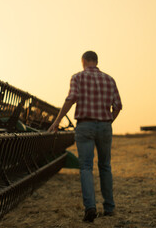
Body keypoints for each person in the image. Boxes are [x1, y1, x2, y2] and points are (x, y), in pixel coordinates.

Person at [48, 51, 122, 222]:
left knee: (86, 167)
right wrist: (108, 122)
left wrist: (57, 121)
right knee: (105, 166)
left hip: (85, 125)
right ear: (96, 61)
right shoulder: (110, 79)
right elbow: (118, 106)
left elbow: (71, 98)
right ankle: (109, 208)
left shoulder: (77, 77)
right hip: (104, 126)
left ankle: (90, 208)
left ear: (83, 62)